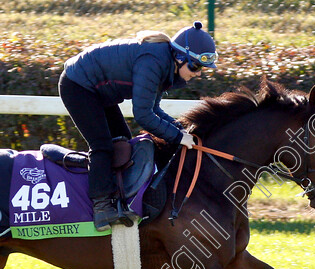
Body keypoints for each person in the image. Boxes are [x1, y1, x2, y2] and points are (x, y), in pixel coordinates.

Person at [59, 21, 217, 231]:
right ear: (179, 58)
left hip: (98, 90)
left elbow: (154, 109)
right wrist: (178, 137)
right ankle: (101, 208)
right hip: (78, 85)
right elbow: (142, 115)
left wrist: (180, 128)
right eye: (195, 66)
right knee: (103, 146)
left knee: (123, 142)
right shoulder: (154, 61)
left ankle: (119, 199)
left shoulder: (165, 64)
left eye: (202, 69)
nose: (198, 73)